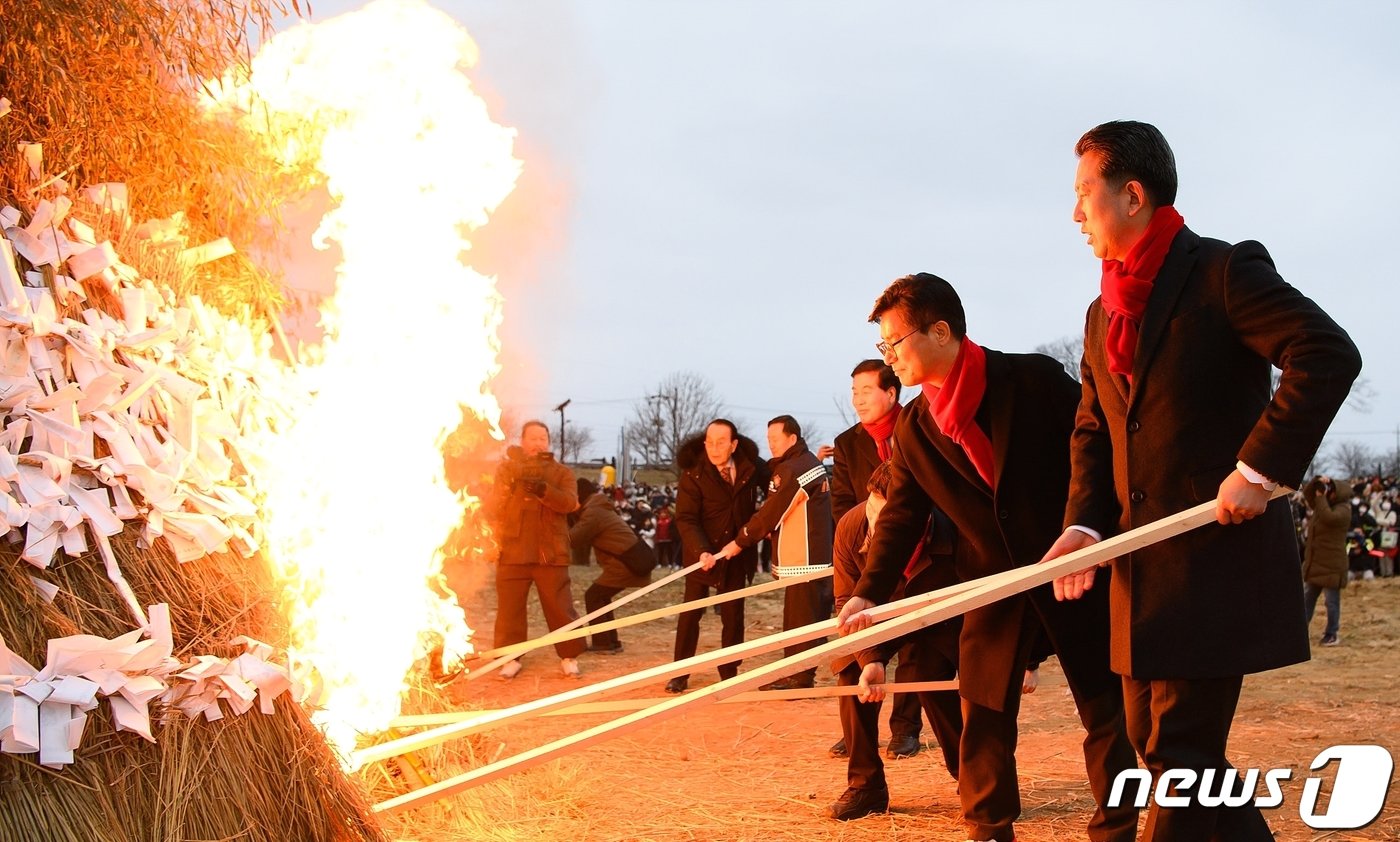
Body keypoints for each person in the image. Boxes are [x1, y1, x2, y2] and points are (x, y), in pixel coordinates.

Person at [1045, 120, 1362, 841]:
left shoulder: (1223, 271)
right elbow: (1094, 432)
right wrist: (1083, 526)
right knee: (1166, 754)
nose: (1073, 216)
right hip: (1137, 573)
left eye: (1081, 195)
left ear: (1131, 195)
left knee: (1179, 755)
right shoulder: (1100, 315)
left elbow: (1325, 352)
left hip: (1212, 561)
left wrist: (1261, 468)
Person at [838, 273, 1139, 842]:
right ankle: (989, 827)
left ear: (941, 331)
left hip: (1069, 568)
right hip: (992, 584)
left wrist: (1092, 531)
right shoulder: (916, 426)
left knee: (1104, 711)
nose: (889, 358)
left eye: (894, 343)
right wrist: (869, 592)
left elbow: (1095, 454)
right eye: (884, 346)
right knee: (983, 715)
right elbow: (902, 515)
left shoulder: (1032, 379)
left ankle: (1117, 826)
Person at [826, 460, 963, 820]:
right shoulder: (851, 527)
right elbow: (845, 601)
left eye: (890, 519)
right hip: (875, 613)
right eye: (874, 509)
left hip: (936, 619)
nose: (877, 524)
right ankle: (866, 786)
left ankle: (972, 777)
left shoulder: (952, 527)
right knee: (850, 675)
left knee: (930, 680)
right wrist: (871, 659)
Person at [828, 359, 925, 760]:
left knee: (918, 648)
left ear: (891, 392)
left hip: (920, 555)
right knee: (851, 649)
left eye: (866, 391)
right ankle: (857, 734)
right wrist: (863, 542)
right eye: (854, 392)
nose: (858, 400)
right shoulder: (848, 443)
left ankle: (905, 728)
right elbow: (843, 504)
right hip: (867, 555)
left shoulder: (920, 429)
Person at [718, 415, 835, 690]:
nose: (770, 444)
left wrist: (741, 540)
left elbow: (770, 513)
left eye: (775, 439)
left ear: (792, 439)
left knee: (800, 620)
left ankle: (798, 676)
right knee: (805, 618)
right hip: (810, 556)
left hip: (804, 558)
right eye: (768, 438)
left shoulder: (794, 469)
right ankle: (799, 672)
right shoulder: (803, 463)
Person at [667, 419, 767, 693]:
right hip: (702, 555)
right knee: (691, 613)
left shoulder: (751, 467)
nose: (714, 448)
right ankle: (679, 673)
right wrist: (701, 551)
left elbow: (777, 487)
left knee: (733, 616)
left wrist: (753, 531)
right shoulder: (694, 473)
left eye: (721, 442)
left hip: (736, 553)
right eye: (709, 442)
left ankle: (729, 672)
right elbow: (686, 518)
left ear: (733, 444)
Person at [490, 420, 586, 679]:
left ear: (548, 442)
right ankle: (510, 657)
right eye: (532, 438)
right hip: (513, 549)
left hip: (549, 551)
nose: (537, 443)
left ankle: (569, 655)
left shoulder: (561, 472)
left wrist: (545, 490)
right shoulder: (508, 470)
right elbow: (494, 505)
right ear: (522, 440)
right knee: (509, 608)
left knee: (560, 606)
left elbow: (569, 503)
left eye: (542, 438)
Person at [570, 478, 656, 654]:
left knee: (593, 596)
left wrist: (566, 516)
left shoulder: (593, 512)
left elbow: (573, 539)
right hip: (629, 560)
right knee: (600, 597)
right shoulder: (598, 507)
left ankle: (603, 643)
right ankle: (611, 641)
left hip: (626, 564)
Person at [1301, 476, 1351, 647]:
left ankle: (1332, 633)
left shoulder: (1344, 510)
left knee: (1331, 602)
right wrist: (1316, 482)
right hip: (1317, 563)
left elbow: (1330, 518)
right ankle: (1300, 631)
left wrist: (1321, 498)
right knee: (1307, 599)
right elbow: (1309, 497)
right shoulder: (1322, 506)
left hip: (1332, 564)